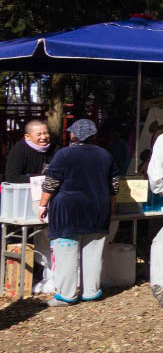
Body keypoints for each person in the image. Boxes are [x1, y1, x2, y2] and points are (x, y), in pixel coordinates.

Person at [38, 119, 119, 307]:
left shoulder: (63, 154)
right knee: (93, 253)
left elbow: (51, 183)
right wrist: (111, 209)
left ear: (73, 135)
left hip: (68, 211)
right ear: (93, 136)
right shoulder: (105, 155)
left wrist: (42, 205)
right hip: (98, 209)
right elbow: (114, 186)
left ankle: (66, 295)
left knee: (66, 254)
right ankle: (91, 291)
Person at [5, 118, 54, 182]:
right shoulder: (19, 150)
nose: (44, 137)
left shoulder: (54, 148)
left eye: (46, 133)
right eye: (39, 134)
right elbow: (12, 177)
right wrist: (41, 178)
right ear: (27, 137)